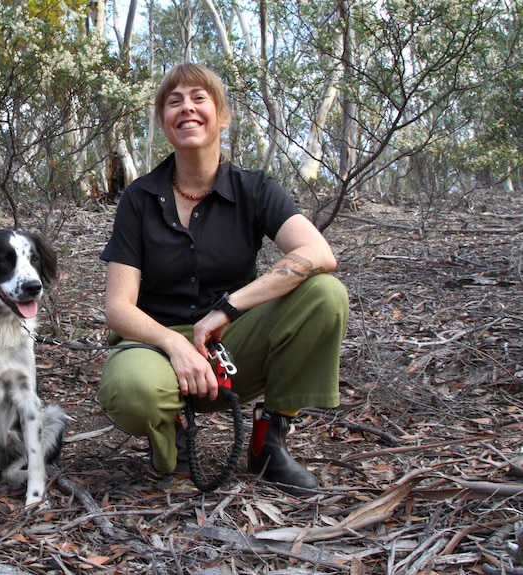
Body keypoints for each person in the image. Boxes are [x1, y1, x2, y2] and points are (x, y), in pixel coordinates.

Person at [97, 63, 349, 492]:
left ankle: (270, 441)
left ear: (223, 116)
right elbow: (118, 307)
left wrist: (229, 308)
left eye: (199, 98)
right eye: (173, 102)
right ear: (163, 122)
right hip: (156, 346)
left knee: (324, 293)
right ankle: (171, 437)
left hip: (231, 343)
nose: (186, 109)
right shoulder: (139, 198)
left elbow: (318, 253)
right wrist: (175, 343)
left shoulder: (254, 188)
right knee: (133, 390)